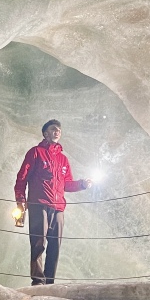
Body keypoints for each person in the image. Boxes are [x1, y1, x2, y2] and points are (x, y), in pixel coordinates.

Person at [14, 119, 92, 285]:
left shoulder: (63, 159)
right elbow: (22, 177)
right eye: (53, 129)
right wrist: (20, 200)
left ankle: (50, 283)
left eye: (59, 130)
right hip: (39, 204)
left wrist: (82, 184)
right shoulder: (35, 152)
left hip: (58, 208)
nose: (57, 131)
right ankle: (38, 281)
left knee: (55, 246)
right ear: (45, 133)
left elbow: (66, 184)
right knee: (38, 244)